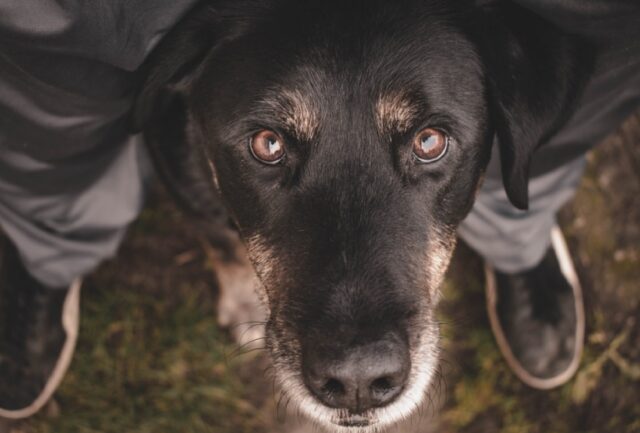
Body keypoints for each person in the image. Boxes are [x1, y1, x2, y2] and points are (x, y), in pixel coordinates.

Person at [1, 0, 639, 422]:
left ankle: (518, 234)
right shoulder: (206, 88)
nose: (356, 368)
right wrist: (234, 264)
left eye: (428, 142)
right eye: (270, 144)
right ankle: (51, 240)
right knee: (52, 76)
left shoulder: (490, 59)